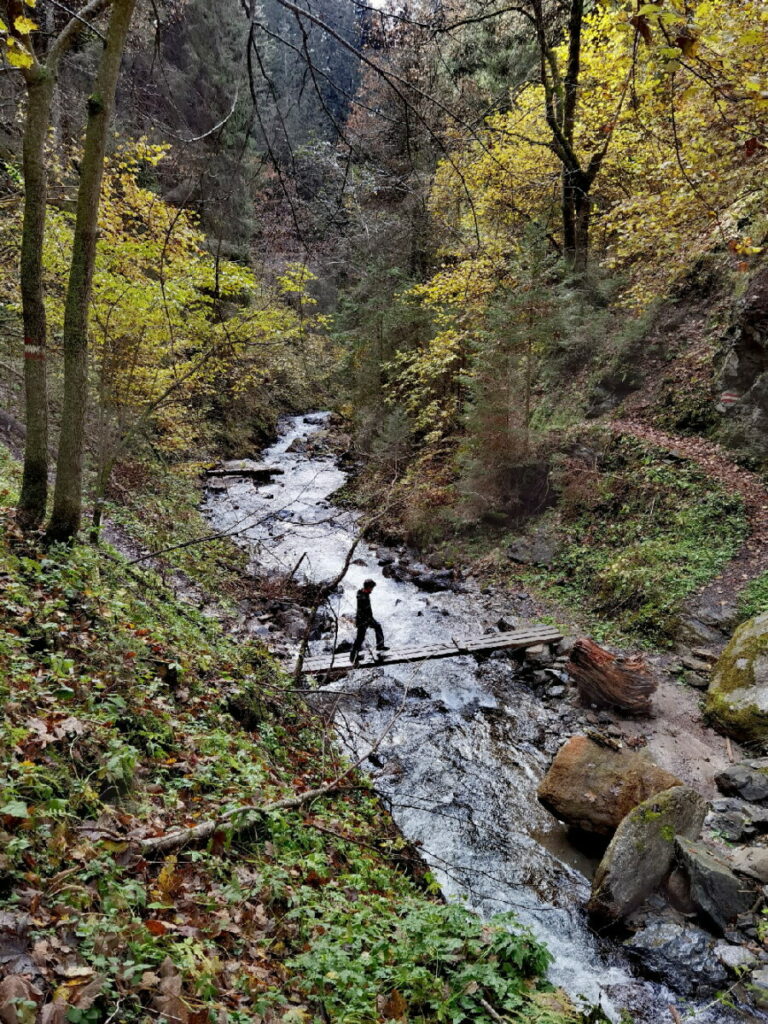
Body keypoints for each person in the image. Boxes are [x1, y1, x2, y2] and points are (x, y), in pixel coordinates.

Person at [350, 578, 389, 662]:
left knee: (378, 626)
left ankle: (380, 646)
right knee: (360, 638)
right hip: (363, 620)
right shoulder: (362, 597)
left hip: (368, 618)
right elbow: (364, 612)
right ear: (367, 587)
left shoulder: (363, 592)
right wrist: (368, 621)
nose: (372, 590)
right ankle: (352, 656)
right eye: (371, 588)